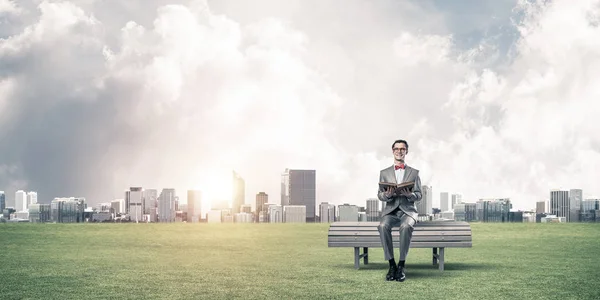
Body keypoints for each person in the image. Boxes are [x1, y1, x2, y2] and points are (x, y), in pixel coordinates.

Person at [377, 139, 422, 282]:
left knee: (406, 226)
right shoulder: (384, 172)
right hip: (391, 210)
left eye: (402, 149)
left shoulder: (414, 173)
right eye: (397, 149)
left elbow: (419, 194)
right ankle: (391, 264)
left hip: (408, 210)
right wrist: (387, 195)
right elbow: (379, 194)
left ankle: (401, 265)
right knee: (382, 226)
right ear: (392, 151)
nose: (399, 151)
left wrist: (411, 195)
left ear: (406, 151)